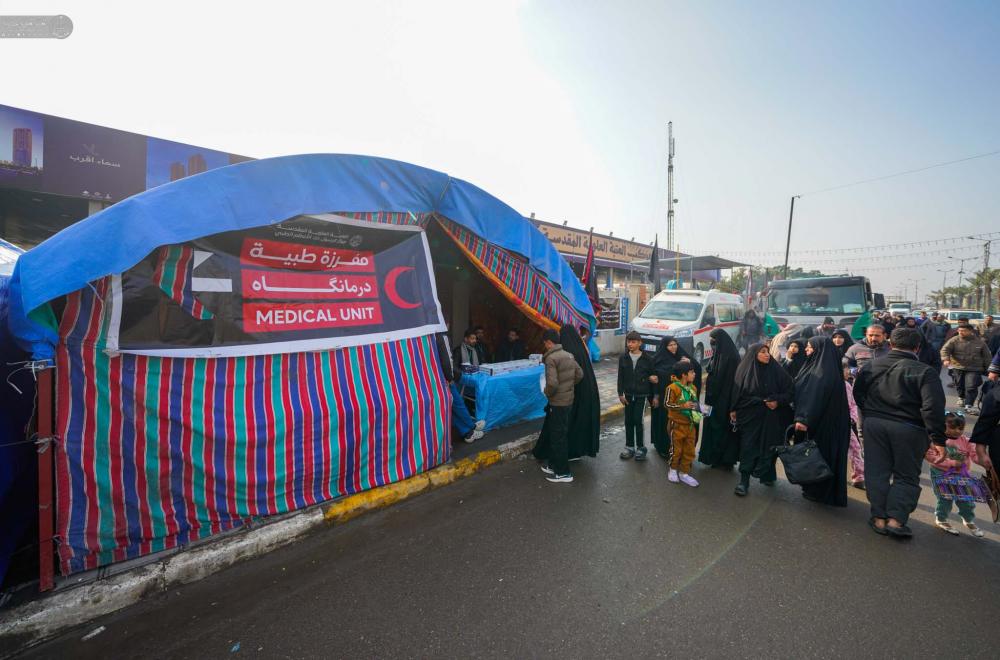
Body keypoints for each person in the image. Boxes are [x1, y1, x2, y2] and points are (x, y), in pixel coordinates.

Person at [854, 327, 947, 538]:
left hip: (875, 424)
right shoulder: (925, 371)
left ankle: (879, 518)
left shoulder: (871, 366)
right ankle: (895, 521)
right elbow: (932, 408)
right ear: (917, 347)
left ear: (890, 343)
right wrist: (938, 439)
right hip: (910, 428)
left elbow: (858, 394)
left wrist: (872, 414)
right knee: (906, 475)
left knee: (876, 472)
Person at [730, 343, 794, 496]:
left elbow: (790, 391)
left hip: (771, 416)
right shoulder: (744, 369)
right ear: (754, 354)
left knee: (770, 446)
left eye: (767, 352)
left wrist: (777, 401)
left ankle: (768, 475)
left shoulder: (776, 370)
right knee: (748, 447)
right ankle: (744, 481)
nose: (767, 355)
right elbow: (737, 392)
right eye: (763, 352)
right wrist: (733, 409)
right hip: (750, 416)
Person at [794, 337, 851, 507]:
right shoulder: (824, 367)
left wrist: (803, 419)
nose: (806, 350)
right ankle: (823, 491)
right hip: (827, 422)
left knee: (819, 456)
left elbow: (813, 397)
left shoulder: (821, 372)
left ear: (819, 350)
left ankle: (818, 491)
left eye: (810, 347)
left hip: (821, 424)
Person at [926, 412, 987, 538]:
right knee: (945, 499)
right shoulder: (936, 440)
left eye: (960, 428)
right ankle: (941, 519)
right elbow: (931, 458)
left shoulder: (966, 441)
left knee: (966, 499)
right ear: (943, 426)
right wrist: (953, 463)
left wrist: (984, 461)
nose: (957, 431)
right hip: (940, 474)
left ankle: (968, 520)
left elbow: (974, 455)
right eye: (953, 427)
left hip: (962, 475)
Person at [534, 329, 583, 484]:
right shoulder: (569, 355)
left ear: (549, 342)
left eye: (545, 343)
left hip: (558, 403)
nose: (545, 346)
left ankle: (563, 473)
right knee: (559, 434)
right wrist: (568, 387)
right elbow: (579, 374)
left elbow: (552, 384)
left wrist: (547, 392)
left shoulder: (551, 358)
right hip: (568, 400)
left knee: (558, 437)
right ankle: (554, 465)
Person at [649, 336, 702, 459]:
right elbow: (652, 376)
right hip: (665, 397)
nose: (673, 347)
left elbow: (697, 370)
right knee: (666, 424)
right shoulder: (657, 360)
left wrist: (690, 363)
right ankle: (664, 449)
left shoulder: (682, 357)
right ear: (664, 347)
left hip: (683, 398)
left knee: (683, 426)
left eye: (675, 344)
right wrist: (655, 395)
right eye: (670, 345)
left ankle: (683, 451)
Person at [698, 328, 741, 470]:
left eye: (714, 342)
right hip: (711, 399)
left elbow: (733, 382)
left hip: (725, 401)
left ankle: (724, 460)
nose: (712, 345)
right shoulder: (717, 354)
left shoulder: (732, 357)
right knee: (710, 427)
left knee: (723, 429)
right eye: (711, 342)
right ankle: (711, 457)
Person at [557, 325, 601, 461]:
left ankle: (570, 452)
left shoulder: (568, 352)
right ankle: (578, 451)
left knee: (571, 422)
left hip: (575, 392)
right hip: (588, 391)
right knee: (580, 422)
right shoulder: (581, 348)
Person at [435, 332, 485, 443]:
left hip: (434, 379)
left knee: (451, 408)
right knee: (458, 404)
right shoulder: (441, 337)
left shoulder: (426, 337)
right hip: (445, 379)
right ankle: (471, 426)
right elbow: (447, 361)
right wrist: (450, 377)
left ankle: (467, 432)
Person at [618, 331, 654, 461]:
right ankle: (629, 447)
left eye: (633, 342)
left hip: (641, 395)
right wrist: (620, 393)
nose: (630, 344)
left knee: (638, 420)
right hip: (627, 394)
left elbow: (652, 375)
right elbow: (620, 377)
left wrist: (651, 380)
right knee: (628, 420)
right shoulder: (623, 357)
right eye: (628, 341)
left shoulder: (647, 358)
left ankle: (641, 448)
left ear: (640, 343)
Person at [665, 362, 702, 487]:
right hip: (676, 425)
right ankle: (673, 470)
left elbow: (694, 404)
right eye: (692, 372)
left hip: (690, 425)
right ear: (684, 375)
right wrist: (682, 406)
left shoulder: (693, 388)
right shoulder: (672, 388)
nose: (694, 374)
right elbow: (667, 404)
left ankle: (684, 473)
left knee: (689, 450)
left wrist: (701, 410)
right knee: (676, 450)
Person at [940, 323, 992, 413]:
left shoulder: (980, 342)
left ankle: (969, 404)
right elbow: (945, 350)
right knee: (959, 384)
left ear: (970, 331)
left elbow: (987, 356)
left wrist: (990, 369)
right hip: (957, 366)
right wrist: (946, 359)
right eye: (959, 330)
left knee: (971, 386)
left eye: (964, 331)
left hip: (974, 368)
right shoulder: (954, 340)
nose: (961, 332)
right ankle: (961, 397)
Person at [845, 366, 864, 489]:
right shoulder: (832, 384)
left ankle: (859, 477)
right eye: (845, 369)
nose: (848, 372)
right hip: (832, 423)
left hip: (846, 423)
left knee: (855, 448)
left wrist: (852, 418)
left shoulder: (847, 385)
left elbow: (852, 404)